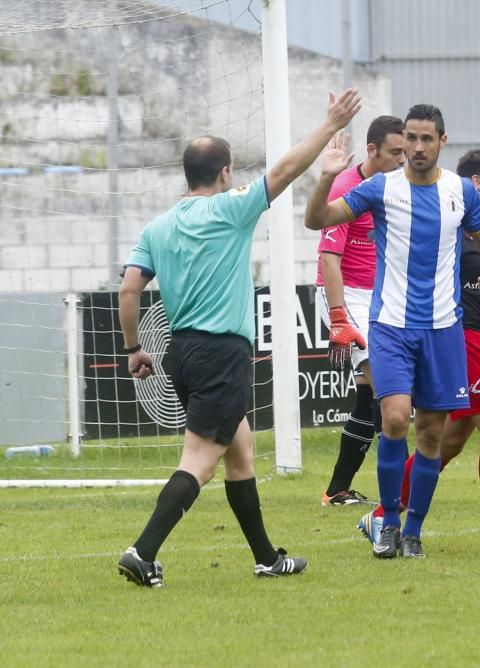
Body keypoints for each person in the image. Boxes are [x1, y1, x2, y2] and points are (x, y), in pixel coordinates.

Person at [116, 89, 362, 587]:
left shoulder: (157, 227)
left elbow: (128, 288)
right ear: (226, 172)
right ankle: (142, 551)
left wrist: (134, 348)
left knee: (241, 452)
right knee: (199, 461)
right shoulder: (232, 209)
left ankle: (267, 558)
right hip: (222, 353)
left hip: (181, 353)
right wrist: (328, 128)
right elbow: (285, 170)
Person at [305, 104, 480, 559]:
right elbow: (316, 221)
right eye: (410, 138)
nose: (415, 147)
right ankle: (388, 523)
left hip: (443, 328)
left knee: (431, 434)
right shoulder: (379, 188)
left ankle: (414, 531)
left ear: (442, 141)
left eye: (425, 139)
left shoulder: (461, 192)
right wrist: (324, 177)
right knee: (394, 419)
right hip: (391, 325)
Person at [357, 149, 480, 548]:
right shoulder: (448, 221)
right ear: (476, 185)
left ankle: (379, 517)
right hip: (458, 337)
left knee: (450, 438)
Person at [316, 115, 405, 507]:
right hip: (347, 297)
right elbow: (330, 260)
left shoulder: (396, 187)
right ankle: (400, 494)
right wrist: (338, 317)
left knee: (370, 395)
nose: (403, 160)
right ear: (372, 151)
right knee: (388, 394)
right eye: (395, 152)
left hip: (380, 296)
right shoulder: (346, 186)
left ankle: (337, 489)